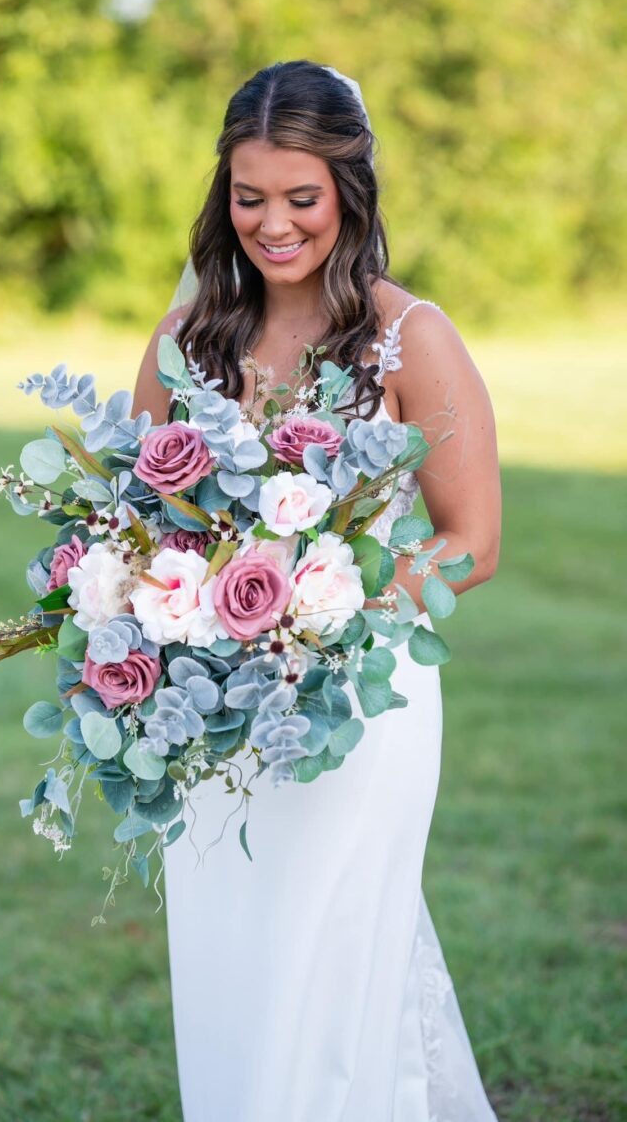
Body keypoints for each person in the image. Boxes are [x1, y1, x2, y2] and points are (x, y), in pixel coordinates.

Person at [131, 59, 501, 1122]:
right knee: (234, 978)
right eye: (250, 196)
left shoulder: (407, 336)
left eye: (302, 197)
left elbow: (471, 540)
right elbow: (146, 514)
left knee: (330, 963)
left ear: (351, 187)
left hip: (356, 703)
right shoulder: (190, 332)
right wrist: (151, 601)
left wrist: (336, 606)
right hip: (211, 710)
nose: (274, 222)